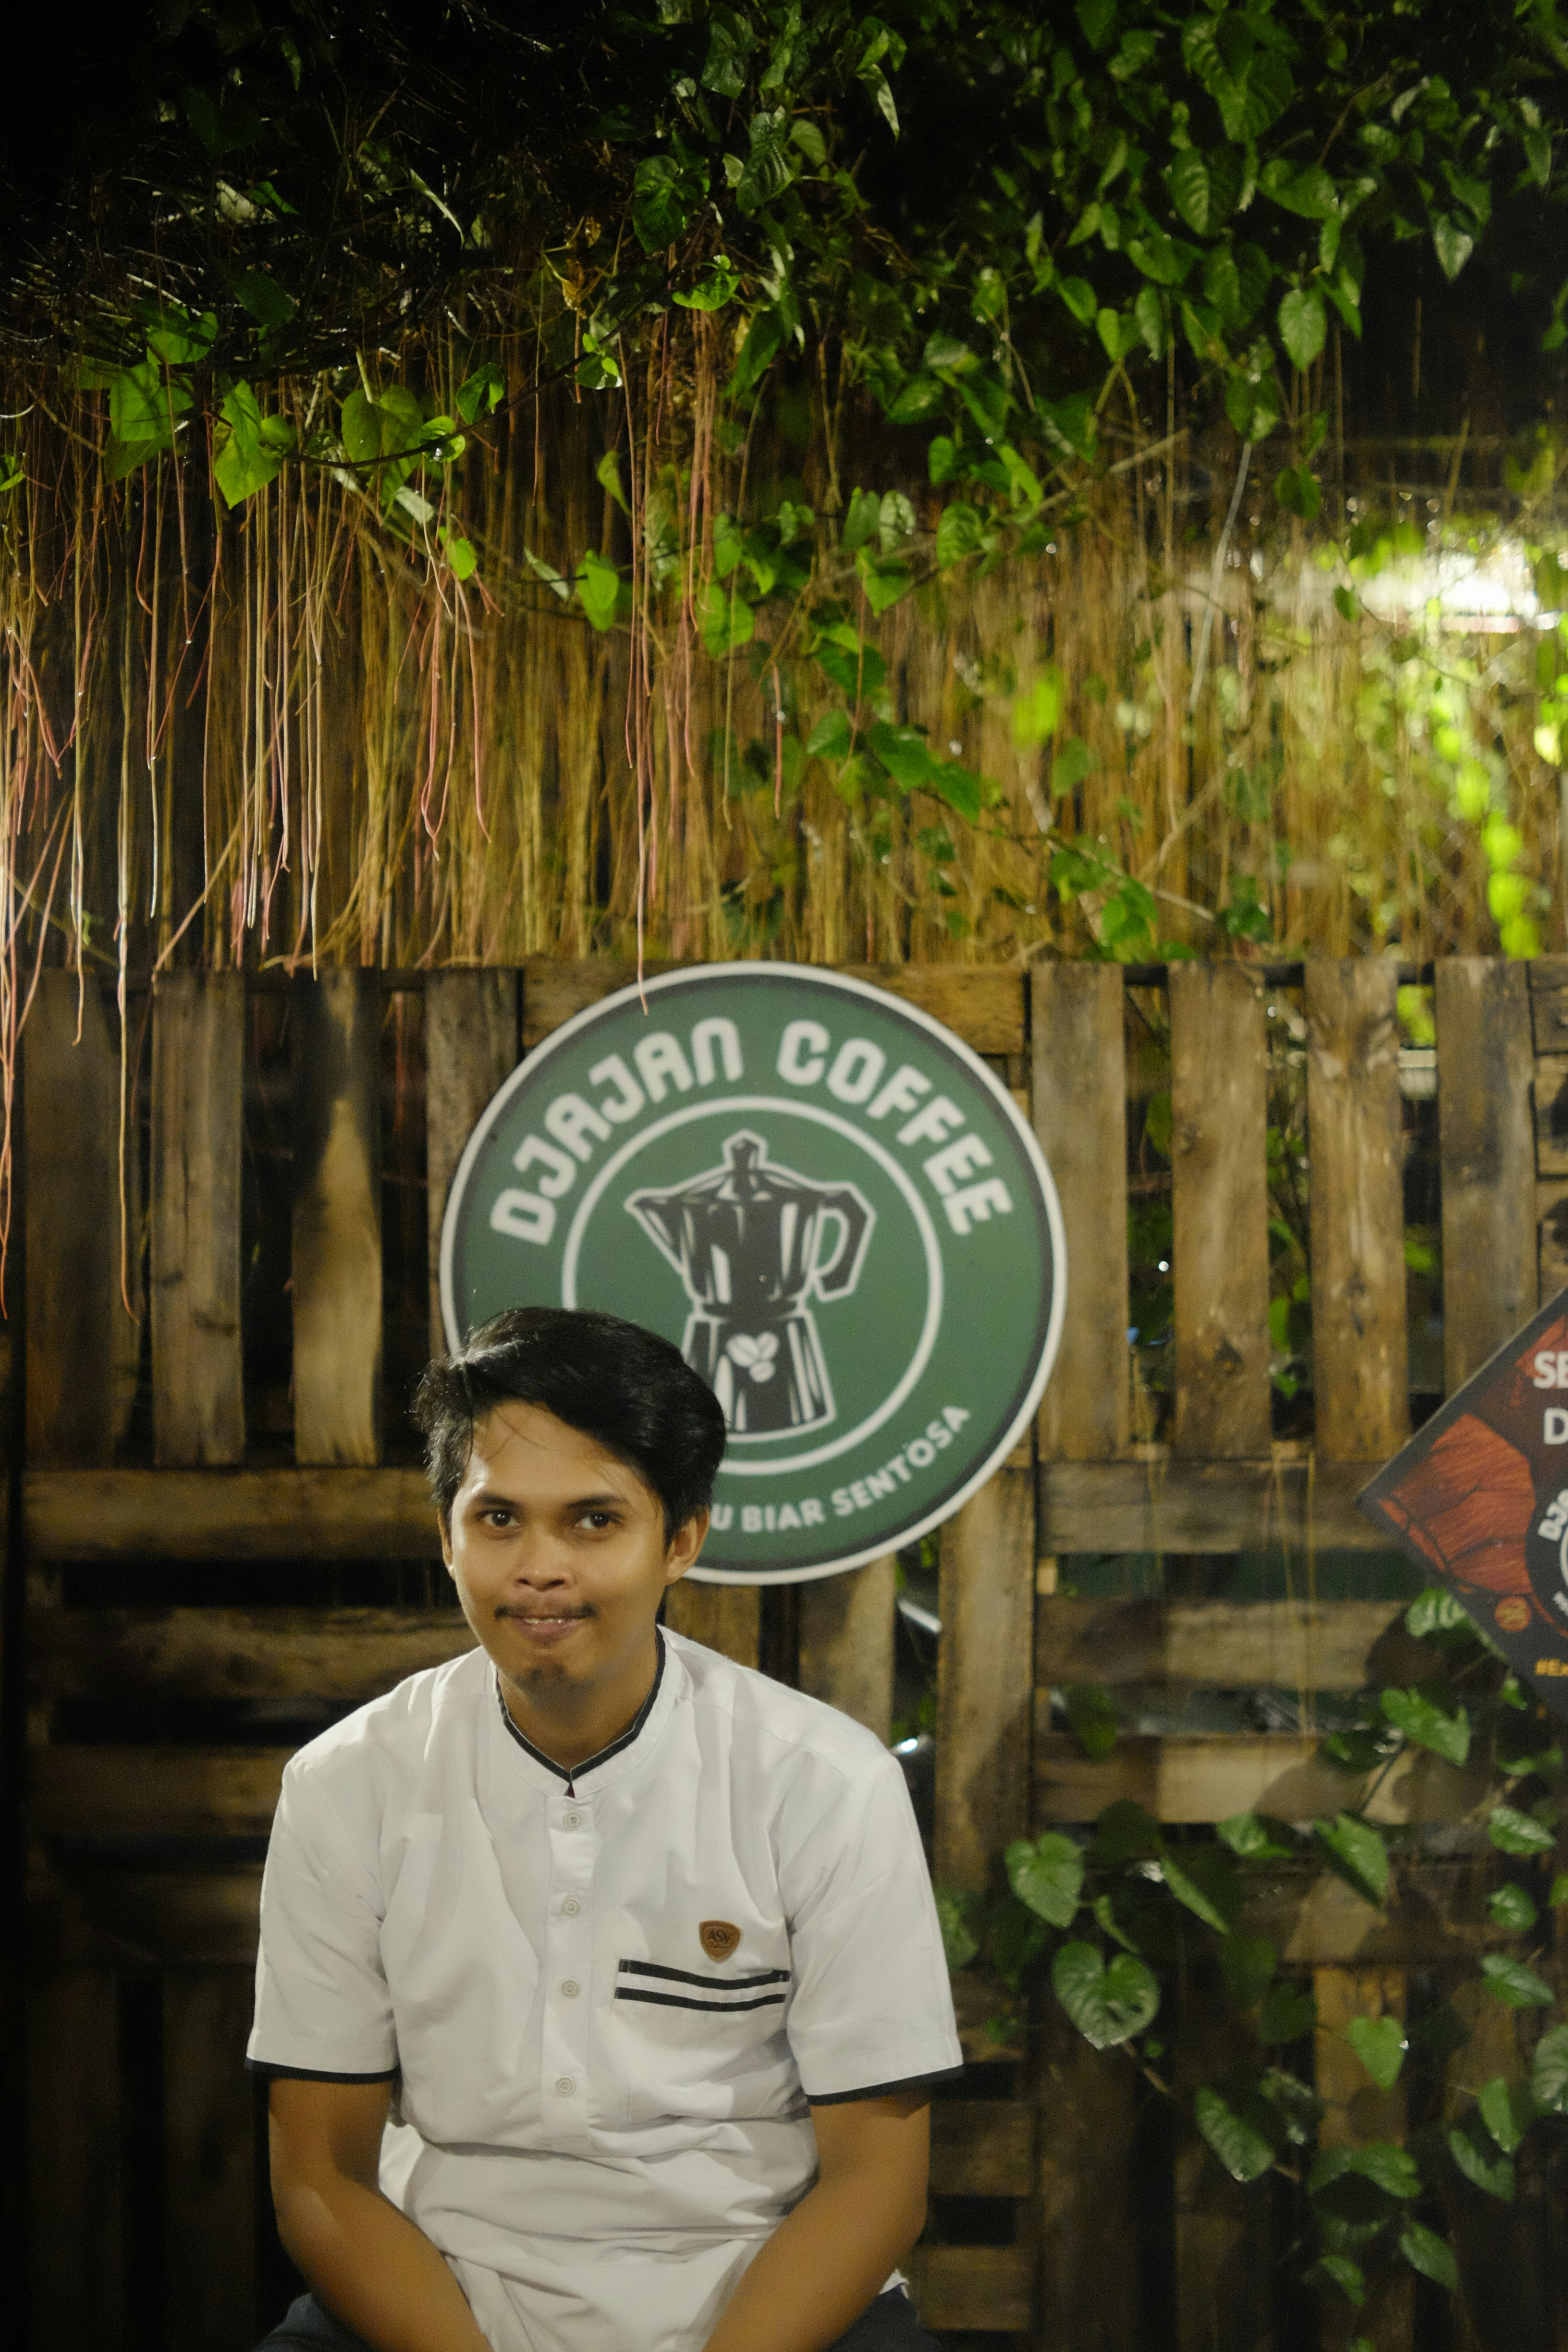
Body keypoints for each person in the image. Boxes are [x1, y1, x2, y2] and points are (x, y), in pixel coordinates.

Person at [247, 1305, 963, 2352]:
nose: (541, 1568)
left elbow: (879, 2187)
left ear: (681, 1541)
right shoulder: (345, 1785)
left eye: (594, 1521)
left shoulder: (824, 1783)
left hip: (761, 2299)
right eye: (499, 1520)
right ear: (444, 1535)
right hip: (441, 2297)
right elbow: (320, 2176)